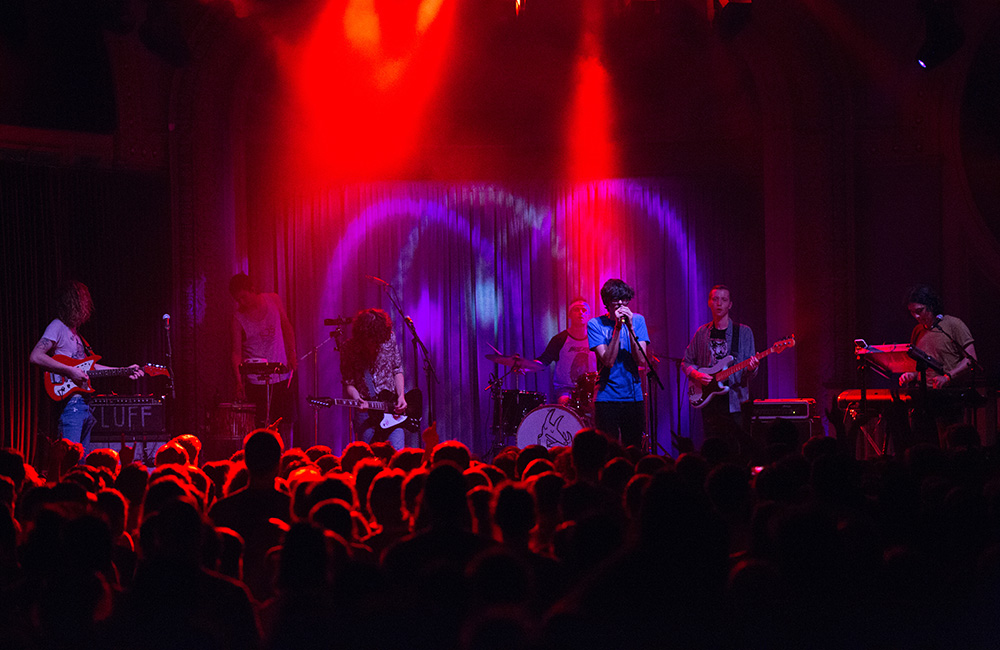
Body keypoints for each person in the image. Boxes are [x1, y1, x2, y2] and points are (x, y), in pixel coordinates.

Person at [29, 280, 144, 455]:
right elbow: (36, 356)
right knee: (70, 461)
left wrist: (124, 370)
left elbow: (90, 367)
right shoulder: (57, 326)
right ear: (73, 302)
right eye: (83, 301)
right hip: (71, 405)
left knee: (80, 463)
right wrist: (70, 370)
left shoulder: (77, 335)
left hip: (84, 405)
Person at [898, 284, 978, 447]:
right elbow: (918, 366)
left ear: (931, 306)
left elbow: (971, 359)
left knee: (947, 442)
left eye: (919, 311)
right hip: (924, 396)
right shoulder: (918, 331)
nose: (916, 316)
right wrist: (911, 375)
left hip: (948, 396)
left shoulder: (953, 325)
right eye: (912, 312)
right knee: (924, 443)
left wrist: (948, 377)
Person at [682, 285, 758, 456]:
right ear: (709, 302)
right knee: (712, 450)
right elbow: (686, 361)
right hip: (709, 401)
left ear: (730, 304)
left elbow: (750, 372)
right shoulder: (702, 333)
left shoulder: (744, 332)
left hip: (735, 402)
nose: (719, 303)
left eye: (723, 300)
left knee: (737, 449)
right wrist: (697, 374)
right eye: (715, 299)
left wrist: (752, 368)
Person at [230, 273, 297, 442]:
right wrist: (239, 381)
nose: (242, 303)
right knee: (260, 423)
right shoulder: (238, 318)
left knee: (285, 419)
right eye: (239, 300)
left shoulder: (273, 300)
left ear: (253, 290)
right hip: (256, 380)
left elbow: (286, 326)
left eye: (244, 297)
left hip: (281, 372)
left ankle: (285, 455)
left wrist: (292, 353)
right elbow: (236, 352)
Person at [587, 279, 649, 448]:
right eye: (616, 301)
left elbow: (641, 359)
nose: (621, 304)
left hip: (633, 396)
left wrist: (631, 328)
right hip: (606, 397)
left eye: (625, 300)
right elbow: (608, 361)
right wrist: (617, 328)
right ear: (607, 303)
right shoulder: (595, 324)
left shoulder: (638, 320)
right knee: (608, 449)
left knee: (634, 449)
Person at [340, 308, 409, 449]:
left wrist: (401, 396)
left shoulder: (389, 339)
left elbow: (397, 369)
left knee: (397, 456)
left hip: (391, 410)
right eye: (370, 341)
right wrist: (357, 398)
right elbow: (348, 382)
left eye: (377, 342)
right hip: (366, 414)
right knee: (368, 459)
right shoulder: (348, 348)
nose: (373, 345)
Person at [536, 298, 598, 404]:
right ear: (569, 315)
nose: (580, 313)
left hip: (592, 389)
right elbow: (544, 361)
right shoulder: (560, 339)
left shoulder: (596, 338)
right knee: (565, 406)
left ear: (589, 315)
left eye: (584, 310)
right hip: (566, 389)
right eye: (576, 310)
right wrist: (525, 366)